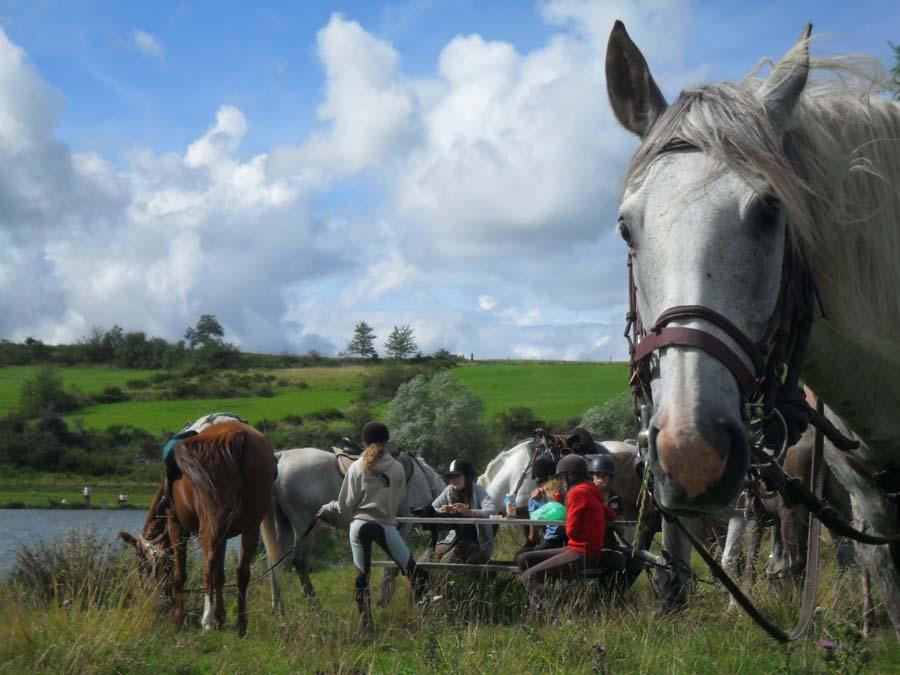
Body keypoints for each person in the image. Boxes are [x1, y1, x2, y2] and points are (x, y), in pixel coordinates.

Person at [318, 421, 428, 632]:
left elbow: (344, 505)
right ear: (387, 441)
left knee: (362, 577)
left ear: (364, 441)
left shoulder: (357, 467)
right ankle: (425, 617)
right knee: (413, 571)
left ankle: (366, 625)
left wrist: (326, 508)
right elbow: (401, 497)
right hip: (385, 526)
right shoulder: (397, 467)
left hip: (359, 525)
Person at [517, 454, 616, 609]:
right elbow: (611, 515)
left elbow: (572, 531)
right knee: (525, 559)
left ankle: (548, 614)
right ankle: (542, 604)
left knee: (530, 575)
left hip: (582, 552)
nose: (560, 483)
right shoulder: (591, 491)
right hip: (582, 550)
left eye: (561, 478)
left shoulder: (576, 493)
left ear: (569, 476)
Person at [427, 459, 496, 564]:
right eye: (451, 477)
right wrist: (441, 510)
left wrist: (470, 513)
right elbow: (433, 507)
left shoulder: (478, 490)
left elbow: (492, 511)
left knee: (446, 563)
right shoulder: (449, 490)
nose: (453, 480)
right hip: (452, 539)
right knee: (425, 560)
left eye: (457, 475)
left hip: (477, 542)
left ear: (467, 476)